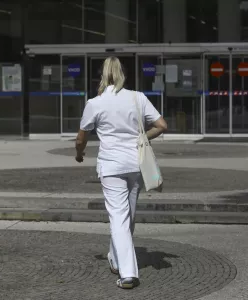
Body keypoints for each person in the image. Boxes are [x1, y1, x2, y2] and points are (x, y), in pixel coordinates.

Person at [75, 56, 167, 289]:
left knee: (118, 217)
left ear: (102, 76)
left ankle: (128, 274)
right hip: (135, 164)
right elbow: (161, 125)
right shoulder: (138, 97)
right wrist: (141, 138)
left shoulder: (94, 103)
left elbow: (81, 137)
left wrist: (79, 153)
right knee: (128, 216)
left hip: (112, 166)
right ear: (122, 74)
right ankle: (116, 258)